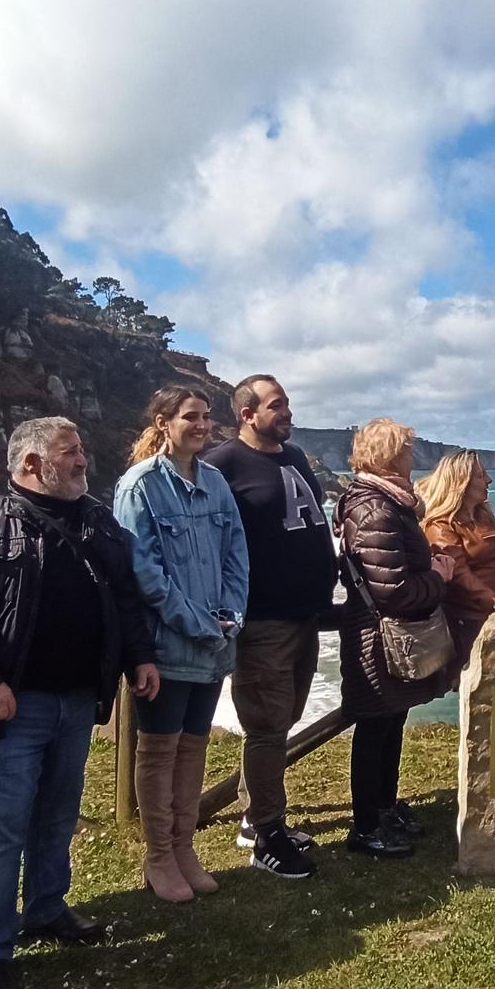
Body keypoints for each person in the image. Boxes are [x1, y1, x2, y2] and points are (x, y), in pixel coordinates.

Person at [0, 417, 158, 989]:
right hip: (6, 706)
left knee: (56, 816)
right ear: (30, 465)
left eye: (81, 450)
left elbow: (124, 596)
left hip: (76, 702)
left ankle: (48, 908)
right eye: (70, 453)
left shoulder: (99, 520)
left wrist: (139, 656)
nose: (83, 461)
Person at [113, 387, 250, 902]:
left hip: (215, 643)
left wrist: (231, 615)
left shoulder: (215, 483)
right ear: (163, 422)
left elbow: (237, 552)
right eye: (190, 416)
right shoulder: (140, 486)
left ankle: (184, 845)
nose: (202, 424)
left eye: (206, 416)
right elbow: (142, 571)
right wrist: (196, 622)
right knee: (160, 749)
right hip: (168, 644)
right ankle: (159, 856)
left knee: (194, 748)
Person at [203, 374, 336, 881]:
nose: (287, 413)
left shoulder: (294, 456)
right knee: (265, 726)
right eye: (276, 405)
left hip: (306, 614)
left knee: (283, 721)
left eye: (287, 404)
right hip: (261, 619)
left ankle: (250, 815)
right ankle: (267, 835)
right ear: (247, 413)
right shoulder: (222, 465)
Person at [336, 418, 451, 857]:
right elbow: (393, 590)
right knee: (375, 727)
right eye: (407, 450)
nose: (413, 457)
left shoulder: (387, 503)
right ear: (391, 456)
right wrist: (439, 577)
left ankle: (384, 807)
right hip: (375, 636)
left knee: (391, 721)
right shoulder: (374, 507)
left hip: (382, 633)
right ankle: (365, 827)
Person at [418, 450, 495, 689]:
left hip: (492, 612)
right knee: (476, 687)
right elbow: (459, 573)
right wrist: (493, 599)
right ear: (461, 482)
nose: (489, 480)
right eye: (481, 475)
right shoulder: (440, 524)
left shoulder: (483, 516)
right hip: (465, 618)